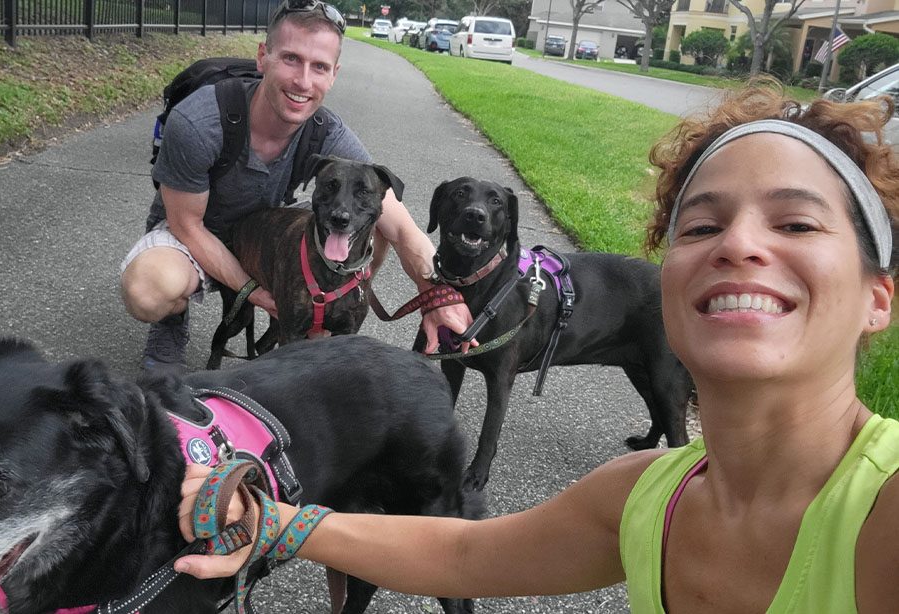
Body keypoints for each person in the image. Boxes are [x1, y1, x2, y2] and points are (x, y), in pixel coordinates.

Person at [172, 85, 899, 612]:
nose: (738, 245)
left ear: (877, 297)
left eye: (796, 225)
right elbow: (462, 553)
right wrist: (275, 521)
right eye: (701, 227)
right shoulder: (644, 494)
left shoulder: (884, 504)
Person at [119, 0, 473, 372]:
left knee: (376, 223)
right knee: (149, 289)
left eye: (319, 66)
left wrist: (436, 294)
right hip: (200, 231)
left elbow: (401, 227)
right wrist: (256, 293)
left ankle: (338, 301)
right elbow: (187, 225)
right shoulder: (199, 123)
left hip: (267, 233)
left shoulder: (327, 134)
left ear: (333, 75)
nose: (303, 81)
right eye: (291, 59)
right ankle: (170, 325)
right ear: (263, 57)